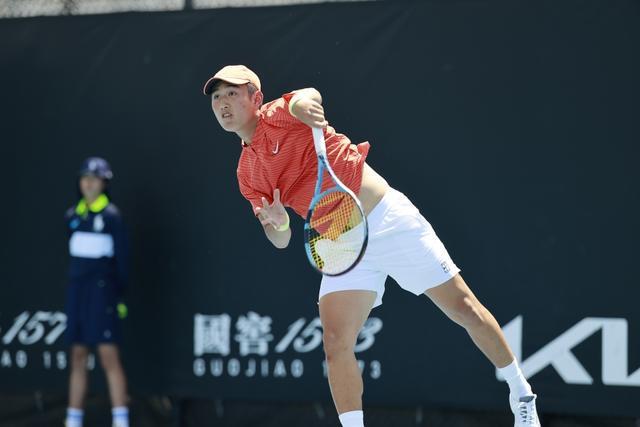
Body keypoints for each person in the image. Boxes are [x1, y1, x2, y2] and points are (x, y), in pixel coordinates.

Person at [202, 65, 541, 427]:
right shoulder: (246, 173)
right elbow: (281, 240)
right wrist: (280, 222)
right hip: (339, 245)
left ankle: (521, 393)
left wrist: (303, 105)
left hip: (385, 219)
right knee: (335, 342)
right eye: (217, 97)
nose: (223, 103)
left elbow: (307, 96)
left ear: (256, 98)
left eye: (232, 93)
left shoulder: (278, 115)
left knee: (464, 308)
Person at [64, 157, 130, 427]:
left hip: (103, 295)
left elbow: (123, 261)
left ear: (104, 183)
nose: (88, 183)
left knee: (108, 356)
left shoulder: (112, 217)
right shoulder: (72, 216)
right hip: (77, 295)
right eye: (85, 178)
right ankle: (73, 420)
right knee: (77, 355)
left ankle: (121, 420)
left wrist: (118, 295)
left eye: (94, 178)